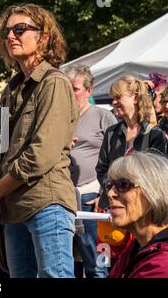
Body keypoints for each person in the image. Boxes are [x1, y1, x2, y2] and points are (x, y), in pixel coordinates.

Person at [0, 3, 79, 278]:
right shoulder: (11, 90)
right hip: (12, 208)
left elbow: (41, 153)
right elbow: (1, 151)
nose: (11, 36)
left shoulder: (54, 82)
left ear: (43, 37)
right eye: (6, 31)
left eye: (20, 29)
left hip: (45, 201)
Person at [63, 64, 116, 278]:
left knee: (97, 264)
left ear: (88, 91)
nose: (70, 94)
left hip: (92, 198)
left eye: (74, 89)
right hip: (64, 198)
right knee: (68, 264)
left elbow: (117, 158)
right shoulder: (60, 119)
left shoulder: (103, 117)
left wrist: (105, 194)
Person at [96, 75, 167, 211]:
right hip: (115, 207)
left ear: (135, 98)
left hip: (143, 208)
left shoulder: (154, 134)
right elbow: (102, 169)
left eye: (118, 97)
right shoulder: (111, 133)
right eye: (113, 98)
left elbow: (157, 175)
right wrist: (114, 189)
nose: (113, 102)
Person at [106, 152, 168, 278]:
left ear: (155, 191)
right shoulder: (138, 247)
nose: (110, 194)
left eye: (123, 185)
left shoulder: (167, 266)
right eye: (109, 185)